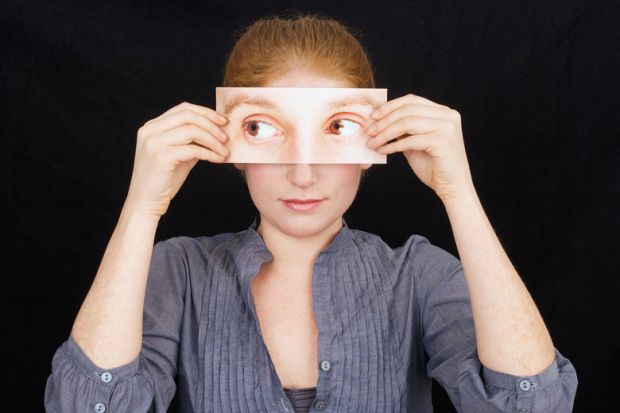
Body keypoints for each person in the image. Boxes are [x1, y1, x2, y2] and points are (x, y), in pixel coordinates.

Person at [44, 13, 578, 413]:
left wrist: (458, 192)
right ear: (231, 147)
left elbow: (534, 403)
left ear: (375, 146)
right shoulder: (177, 272)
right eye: (261, 130)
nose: (303, 175)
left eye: (337, 131)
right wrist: (144, 206)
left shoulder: (417, 274)